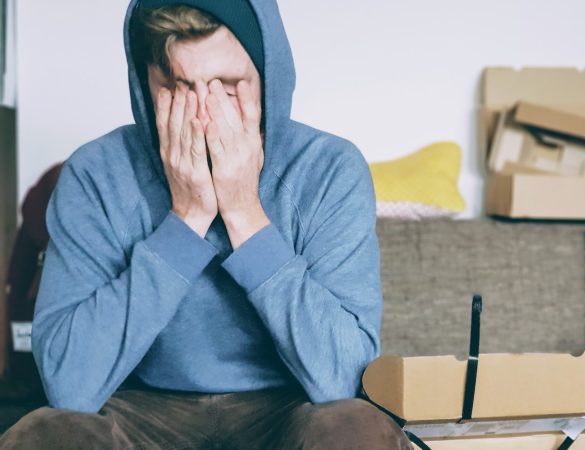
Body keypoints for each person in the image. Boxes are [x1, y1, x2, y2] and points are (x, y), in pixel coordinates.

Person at [0, 1, 412, 448]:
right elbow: (69, 387)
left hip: (289, 410)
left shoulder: (330, 168)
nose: (203, 115)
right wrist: (187, 217)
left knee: (357, 429)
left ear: (268, 81)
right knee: (45, 435)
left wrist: (244, 213)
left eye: (230, 86)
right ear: (145, 84)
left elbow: (342, 380)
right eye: (177, 87)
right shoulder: (95, 173)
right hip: (140, 409)